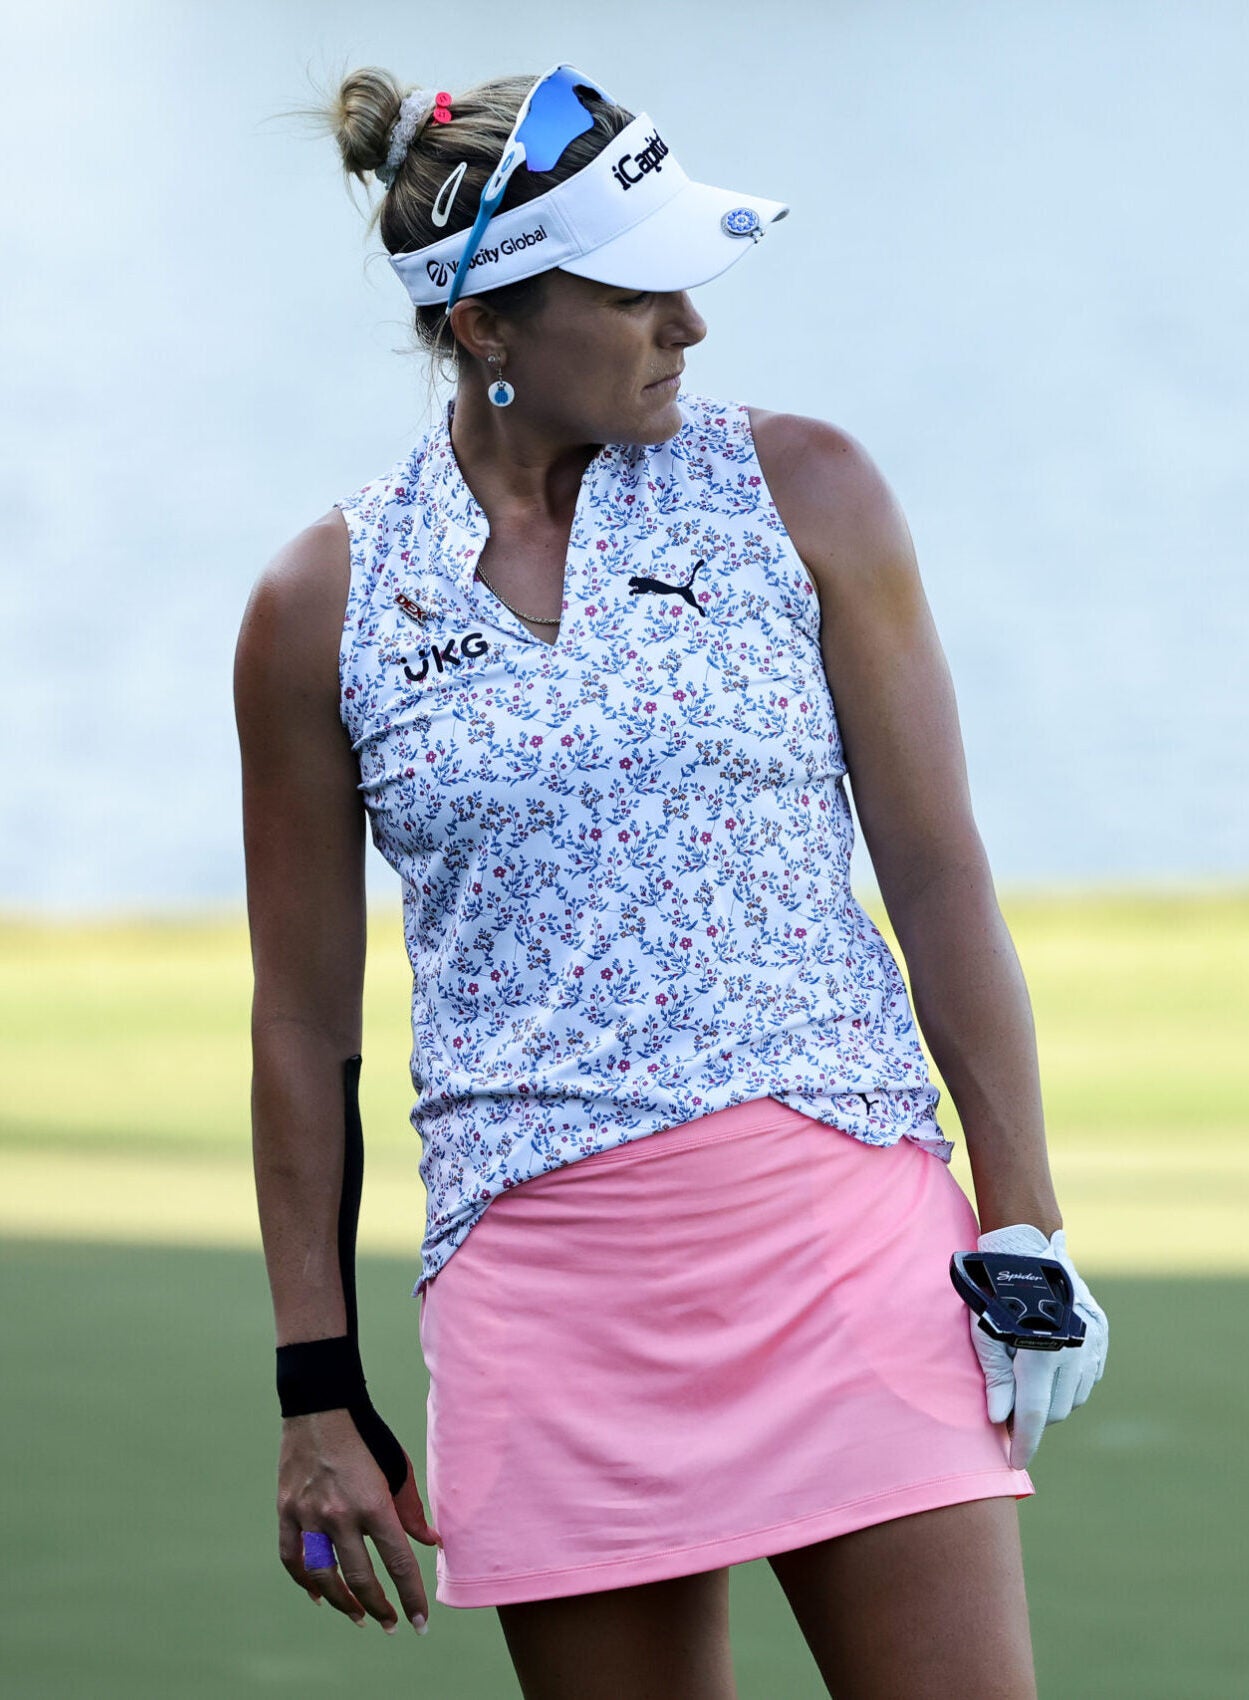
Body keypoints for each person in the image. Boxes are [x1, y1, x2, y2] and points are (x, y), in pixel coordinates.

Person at [234, 62, 1109, 1699]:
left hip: (845, 1239)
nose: (687, 326)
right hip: (544, 1300)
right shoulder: (319, 603)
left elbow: (934, 876)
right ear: (487, 325)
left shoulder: (806, 490)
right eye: (635, 291)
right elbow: (301, 1027)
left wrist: (1028, 1217)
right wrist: (313, 1384)